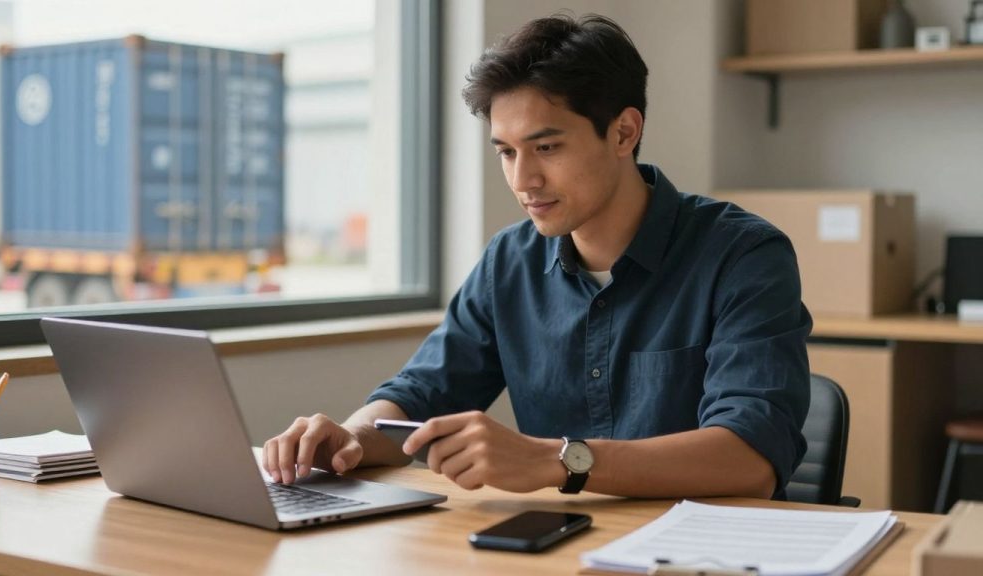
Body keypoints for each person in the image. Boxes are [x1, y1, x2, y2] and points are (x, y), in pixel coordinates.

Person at [263, 13, 811, 499]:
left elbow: (751, 459)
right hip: (559, 545)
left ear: (624, 132)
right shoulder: (510, 260)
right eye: (507, 152)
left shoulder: (743, 255)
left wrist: (556, 460)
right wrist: (352, 438)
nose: (523, 180)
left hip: (700, 552)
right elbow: (421, 395)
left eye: (546, 147)